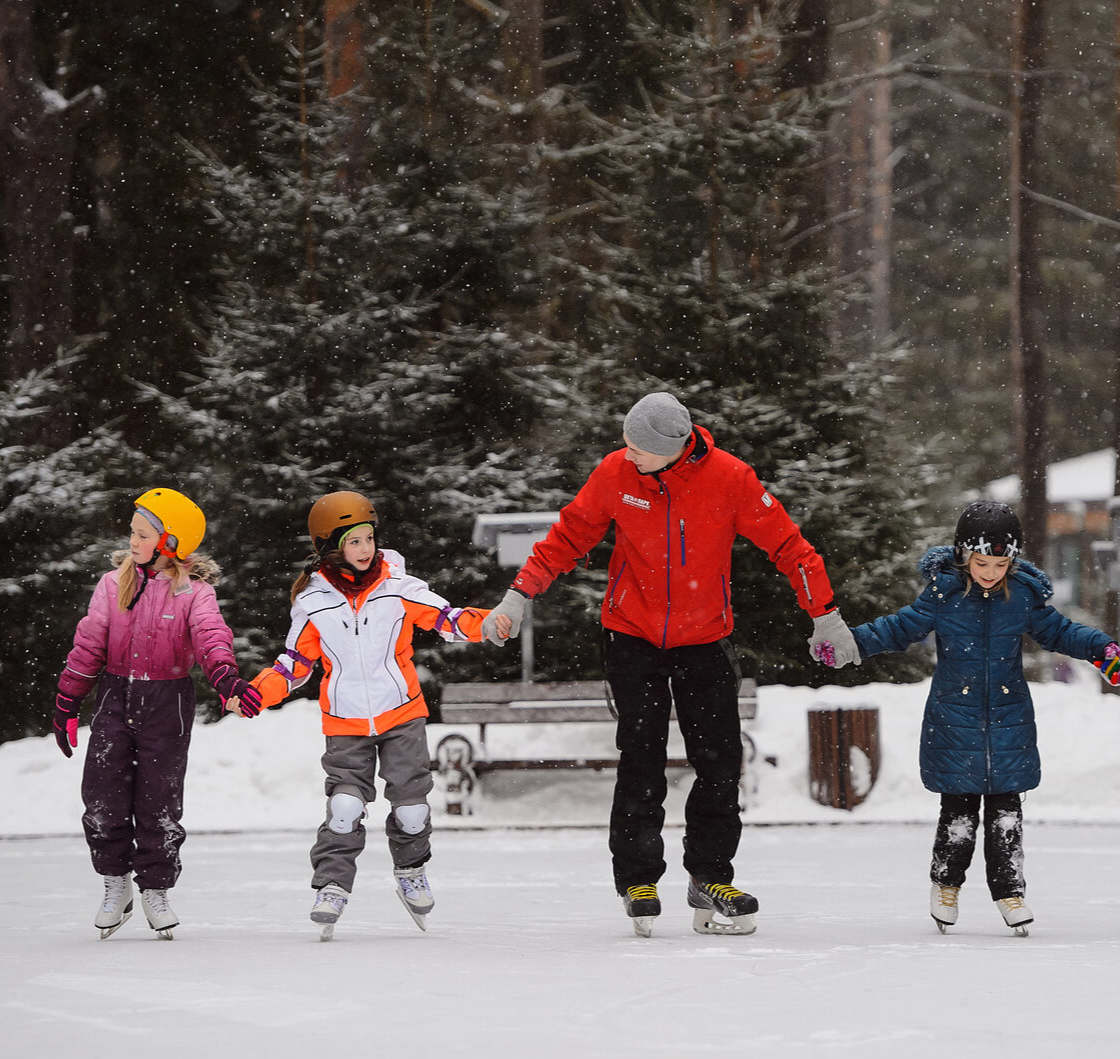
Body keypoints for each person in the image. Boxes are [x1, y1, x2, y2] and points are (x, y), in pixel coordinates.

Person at [482, 391, 860, 937]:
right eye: (626, 444)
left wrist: (825, 614)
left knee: (720, 762)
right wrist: (519, 595)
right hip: (631, 636)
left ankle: (711, 875)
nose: (628, 453)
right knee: (641, 757)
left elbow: (789, 546)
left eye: (638, 447)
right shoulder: (617, 473)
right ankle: (638, 878)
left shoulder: (730, 479)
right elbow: (568, 536)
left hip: (706, 640)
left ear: (674, 447)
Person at [832, 500, 1119, 935]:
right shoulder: (943, 593)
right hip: (954, 719)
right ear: (964, 556)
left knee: (1007, 816)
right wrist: (851, 644)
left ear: (1012, 561)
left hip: (1008, 720)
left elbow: (1061, 632)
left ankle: (1010, 892)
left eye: (1000, 564)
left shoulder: (1022, 595)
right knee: (959, 816)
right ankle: (946, 885)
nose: (990, 572)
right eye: (982, 563)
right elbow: (898, 628)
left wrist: (1102, 649)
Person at [247, 491, 494, 939]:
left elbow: (446, 618)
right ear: (330, 547)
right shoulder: (313, 601)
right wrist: (257, 694)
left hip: (401, 713)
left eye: (369, 538)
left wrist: (487, 623)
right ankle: (332, 885)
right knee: (344, 807)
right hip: (345, 720)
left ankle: (411, 869)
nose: (365, 549)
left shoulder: (398, 587)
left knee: (412, 809)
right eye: (354, 542)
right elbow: (294, 665)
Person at [52, 487, 261, 940]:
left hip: (168, 704)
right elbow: (88, 646)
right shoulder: (113, 585)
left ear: (170, 543)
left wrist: (226, 679)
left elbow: (211, 636)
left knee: (159, 805)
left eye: (143, 535)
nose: (132, 541)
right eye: (132, 532)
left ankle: (155, 889)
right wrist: (68, 700)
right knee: (102, 799)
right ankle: (116, 882)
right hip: (115, 697)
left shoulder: (195, 593)